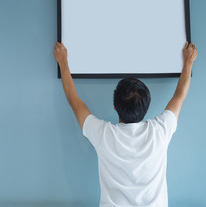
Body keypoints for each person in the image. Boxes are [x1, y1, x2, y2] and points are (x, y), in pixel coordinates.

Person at [54, 41, 198, 207]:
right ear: (147, 107)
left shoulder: (103, 134)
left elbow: (74, 101)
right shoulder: (161, 130)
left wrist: (63, 61)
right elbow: (179, 96)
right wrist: (188, 62)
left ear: (115, 107)